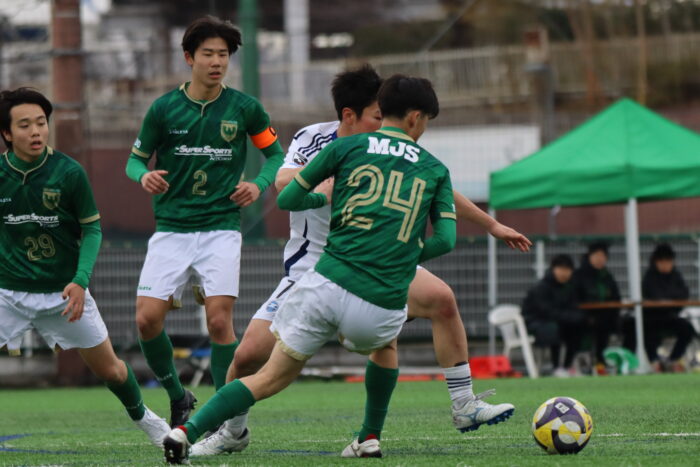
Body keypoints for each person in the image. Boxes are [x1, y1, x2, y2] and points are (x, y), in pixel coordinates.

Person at [188, 66, 530, 458]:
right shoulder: (318, 139)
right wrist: (329, 183)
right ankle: (233, 432)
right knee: (247, 356)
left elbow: (440, 187)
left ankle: (461, 404)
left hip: (376, 255)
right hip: (314, 266)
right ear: (349, 115)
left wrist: (491, 224)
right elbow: (283, 182)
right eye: (377, 115)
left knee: (441, 300)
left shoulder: (390, 150)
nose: (385, 123)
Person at [124, 16, 285, 427]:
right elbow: (134, 161)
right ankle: (178, 395)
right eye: (209, 54)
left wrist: (259, 184)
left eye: (224, 55)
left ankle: (224, 419)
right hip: (172, 229)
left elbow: (276, 155)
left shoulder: (245, 108)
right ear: (189, 57)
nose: (217, 62)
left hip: (221, 228)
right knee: (146, 320)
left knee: (218, 321)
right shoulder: (164, 109)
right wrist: (143, 176)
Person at [0, 88, 170, 446]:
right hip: (7, 294)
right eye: (25, 125)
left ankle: (148, 420)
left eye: (41, 123)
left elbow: (92, 230)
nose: (36, 131)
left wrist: (80, 281)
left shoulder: (68, 172)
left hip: (64, 294)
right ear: (7, 133)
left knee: (112, 371)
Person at [624, 243, 695, 372]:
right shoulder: (649, 277)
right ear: (656, 262)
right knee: (647, 331)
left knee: (688, 329)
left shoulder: (676, 276)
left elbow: (683, 294)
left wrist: (667, 299)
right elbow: (655, 296)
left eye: (668, 261)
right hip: (652, 317)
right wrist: (670, 298)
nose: (665, 265)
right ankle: (654, 361)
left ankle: (673, 359)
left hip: (670, 317)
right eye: (662, 261)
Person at [522, 254, 585, 377]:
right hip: (535, 322)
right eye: (561, 269)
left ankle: (567, 366)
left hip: (559, 320)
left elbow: (574, 308)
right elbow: (545, 311)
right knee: (554, 328)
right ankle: (555, 366)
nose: (564, 273)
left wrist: (577, 318)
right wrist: (569, 317)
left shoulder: (571, 287)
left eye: (567, 270)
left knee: (577, 327)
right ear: (553, 269)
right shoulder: (541, 287)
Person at [573, 241, 621, 374]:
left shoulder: (607, 276)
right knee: (594, 325)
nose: (600, 259)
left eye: (603, 256)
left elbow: (616, 297)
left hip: (606, 316)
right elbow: (575, 298)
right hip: (583, 316)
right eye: (597, 255)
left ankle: (607, 361)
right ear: (589, 256)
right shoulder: (579, 275)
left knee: (626, 324)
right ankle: (589, 361)